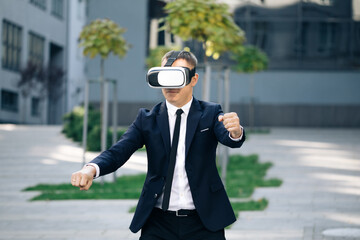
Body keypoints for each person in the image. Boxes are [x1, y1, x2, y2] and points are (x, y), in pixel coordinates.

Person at [71, 50, 245, 240]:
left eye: (178, 75)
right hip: (158, 223)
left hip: (203, 221)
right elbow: (118, 152)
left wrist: (235, 132)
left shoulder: (210, 113)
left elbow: (230, 138)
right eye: (165, 75)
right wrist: (90, 169)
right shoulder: (147, 119)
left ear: (194, 79)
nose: (171, 84)